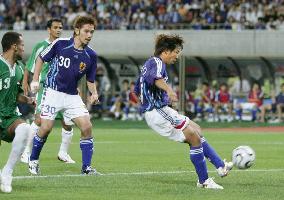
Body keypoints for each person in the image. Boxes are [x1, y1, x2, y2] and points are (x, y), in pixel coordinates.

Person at [134, 34, 233, 189]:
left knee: (196, 130)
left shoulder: (149, 64)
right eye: (176, 52)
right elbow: (156, 79)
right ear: (166, 51)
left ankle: (220, 166)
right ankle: (204, 181)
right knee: (193, 137)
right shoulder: (157, 62)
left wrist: (156, 100)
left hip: (159, 109)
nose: (177, 56)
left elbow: (137, 89)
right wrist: (169, 91)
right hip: (157, 111)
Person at [29, 16, 100, 175]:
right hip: (52, 92)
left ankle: (86, 168)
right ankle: (33, 160)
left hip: (72, 96)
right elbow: (40, 58)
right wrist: (35, 80)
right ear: (77, 30)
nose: (89, 35)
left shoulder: (91, 55)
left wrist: (94, 93)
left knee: (87, 127)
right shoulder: (60, 44)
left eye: (92, 32)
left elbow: (90, 79)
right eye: (86, 31)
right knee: (46, 128)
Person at [21, 18, 75, 164]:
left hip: (63, 89)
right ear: (48, 29)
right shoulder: (41, 46)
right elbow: (29, 65)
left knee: (67, 121)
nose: (59, 30)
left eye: (61, 28)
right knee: (39, 120)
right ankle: (25, 151)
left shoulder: (65, 46)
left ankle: (63, 153)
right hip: (45, 87)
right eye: (56, 27)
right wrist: (27, 81)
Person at [0, 32, 34, 193]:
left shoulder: (20, 68)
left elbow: (16, 94)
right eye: (22, 45)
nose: (23, 49)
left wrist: (27, 100)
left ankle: (7, 173)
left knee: (25, 129)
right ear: (14, 46)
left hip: (10, 116)